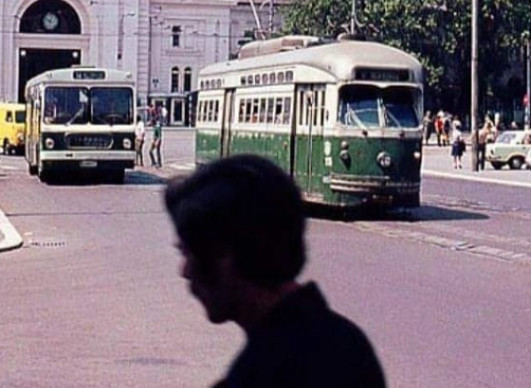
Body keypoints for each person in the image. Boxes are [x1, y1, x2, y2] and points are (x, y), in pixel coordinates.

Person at [164, 155, 386, 388]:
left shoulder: (265, 373)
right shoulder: (346, 342)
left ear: (225, 255)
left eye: (189, 253)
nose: (185, 271)